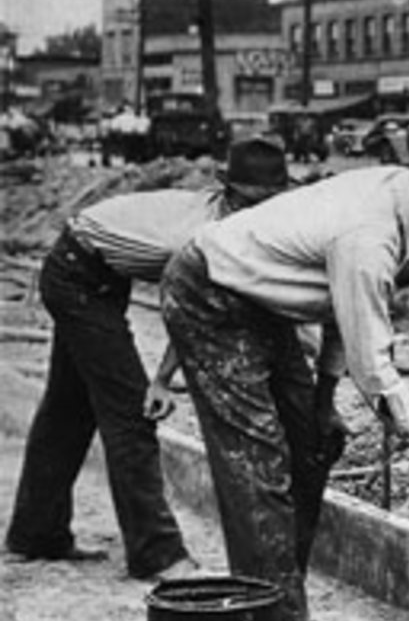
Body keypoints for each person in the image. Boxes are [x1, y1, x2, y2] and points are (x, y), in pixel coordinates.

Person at [160, 135, 409, 621]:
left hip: (262, 299)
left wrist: (322, 403)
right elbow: (373, 367)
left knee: (314, 447)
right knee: (259, 471)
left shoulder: (398, 204)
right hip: (212, 296)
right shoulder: (369, 235)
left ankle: (283, 607)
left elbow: (341, 309)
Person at [5, 137, 292, 581]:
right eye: (251, 202)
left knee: (68, 409)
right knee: (131, 413)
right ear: (228, 192)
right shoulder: (203, 237)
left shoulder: (237, 225)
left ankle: (36, 533)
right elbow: (188, 314)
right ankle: (157, 554)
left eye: (270, 202)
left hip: (98, 271)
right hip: (77, 276)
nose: (260, 212)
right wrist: (159, 382)